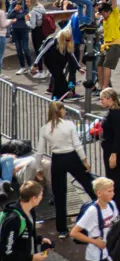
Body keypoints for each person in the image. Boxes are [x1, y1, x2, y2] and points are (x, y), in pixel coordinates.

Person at [37, 101, 95, 237]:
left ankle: (62, 229)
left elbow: (39, 151)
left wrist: (38, 168)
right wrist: (84, 160)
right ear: (61, 110)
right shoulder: (69, 125)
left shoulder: (45, 128)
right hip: (72, 157)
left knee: (59, 194)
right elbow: (77, 144)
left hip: (57, 159)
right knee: (89, 184)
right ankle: (102, 211)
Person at [98, 88, 120, 212]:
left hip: (113, 151)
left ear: (110, 99)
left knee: (115, 180)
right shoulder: (113, 111)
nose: (101, 102)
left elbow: (118, 135)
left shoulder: (115, 114)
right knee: (113, 179)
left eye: (102, 99)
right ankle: (117, 205)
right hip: (109, 149)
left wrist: (113, 154)